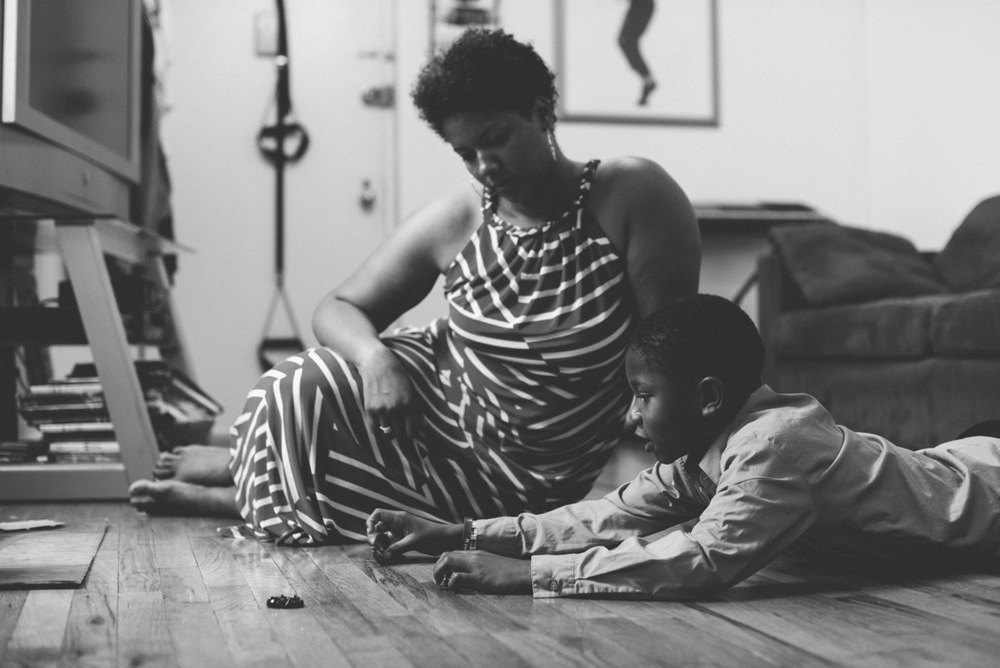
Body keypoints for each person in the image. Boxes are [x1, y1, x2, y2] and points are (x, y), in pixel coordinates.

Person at [127, 28, 702, 544]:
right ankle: (254, 476)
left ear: (541, 109)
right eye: (464, 152)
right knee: (299, 384)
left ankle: (240, 486)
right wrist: (376, 359)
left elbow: (672, 348)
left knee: (446, 527)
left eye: (495, 138)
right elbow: (339, 307)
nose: (484, 166)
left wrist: (678, 470)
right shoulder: (459, 218)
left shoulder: (632, 195)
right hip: (427, 412)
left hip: (534, 473)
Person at [366, 294, 1000, 599]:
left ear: (705, 397)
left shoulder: (774, 445)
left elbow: (701, 561)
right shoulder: (704, 452)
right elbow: (605, 514)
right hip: (958, 461)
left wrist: (531, 574)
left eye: (643, 396)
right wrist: (465, 532)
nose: (631, 413)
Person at [617, 0, 657, 106]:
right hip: (638, 6)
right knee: (625, 42)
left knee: (627, 42)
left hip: (643, 6)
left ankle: (648, 81)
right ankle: (648, 80)